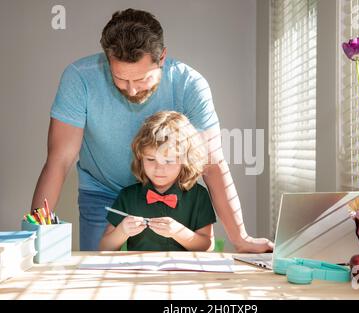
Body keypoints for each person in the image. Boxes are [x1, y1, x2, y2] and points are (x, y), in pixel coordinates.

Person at [31, 8, 273, 252]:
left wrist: (240, 239)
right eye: (121, 78)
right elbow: (59, 161)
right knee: (98, 270)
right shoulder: (79, 79)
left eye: (141, 79)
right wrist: (35, 236)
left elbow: (212, 163)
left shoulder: (190, 84)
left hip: (171, 193)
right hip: (102, 193)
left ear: (162, 58)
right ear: (108, 60)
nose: (132, 90)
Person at [100, 111, 215, 251]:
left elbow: (207, 246)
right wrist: (122, 231)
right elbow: (104, 247)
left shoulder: (198, 196)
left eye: (169, 161)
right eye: (151, 159)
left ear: (186, 160)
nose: (159, 168)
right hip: (139, 270)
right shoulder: (128, 196)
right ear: (140, 157)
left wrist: (179, 233)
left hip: (185, 271)